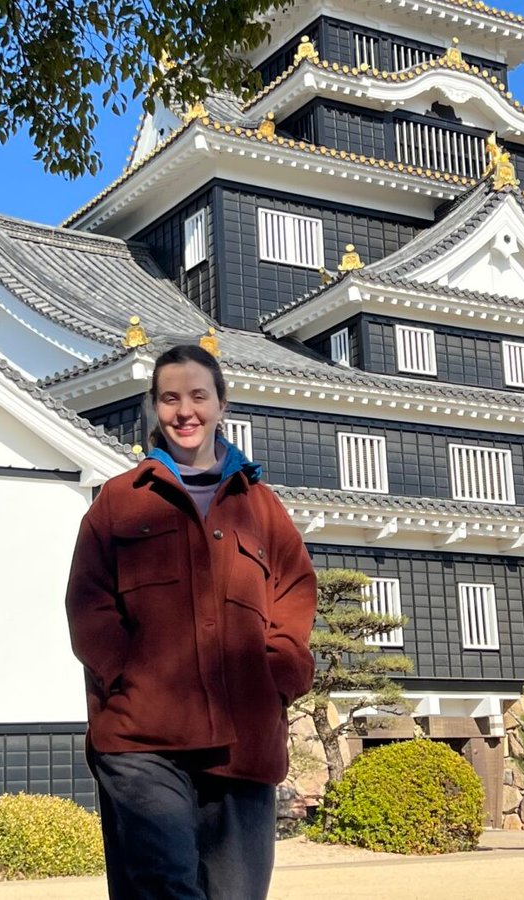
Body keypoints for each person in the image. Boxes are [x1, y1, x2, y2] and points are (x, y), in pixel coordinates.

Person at [65, 344, 319, 900]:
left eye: (198, 396)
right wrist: (126, 678)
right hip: (142, 735)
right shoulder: (119, 502)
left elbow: (295, 592)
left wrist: (279, 675)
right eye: (170, 398)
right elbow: (88, 603)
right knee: (160, 886)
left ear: (221, 406)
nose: (185, 411)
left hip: (244, 734)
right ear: (155, 409)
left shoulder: (262, 507)